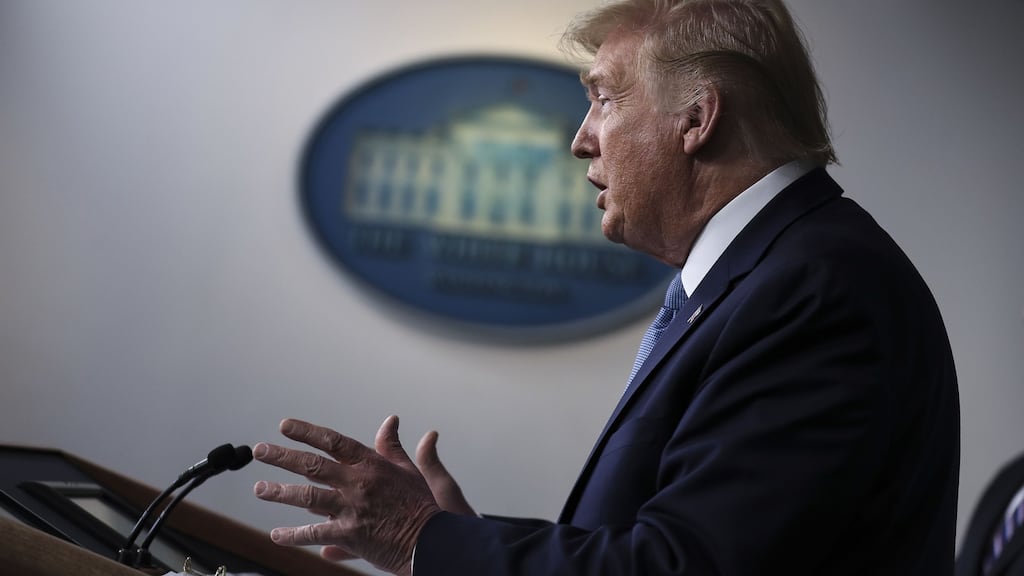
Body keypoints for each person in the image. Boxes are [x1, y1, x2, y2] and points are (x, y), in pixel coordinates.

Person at [252, 0, 960, 574]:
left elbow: (687, 567)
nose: (580, 139)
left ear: (697, 118)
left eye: (602, 98)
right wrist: (457, 540)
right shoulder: (770, 276)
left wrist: (422, 538)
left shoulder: (815, 291)